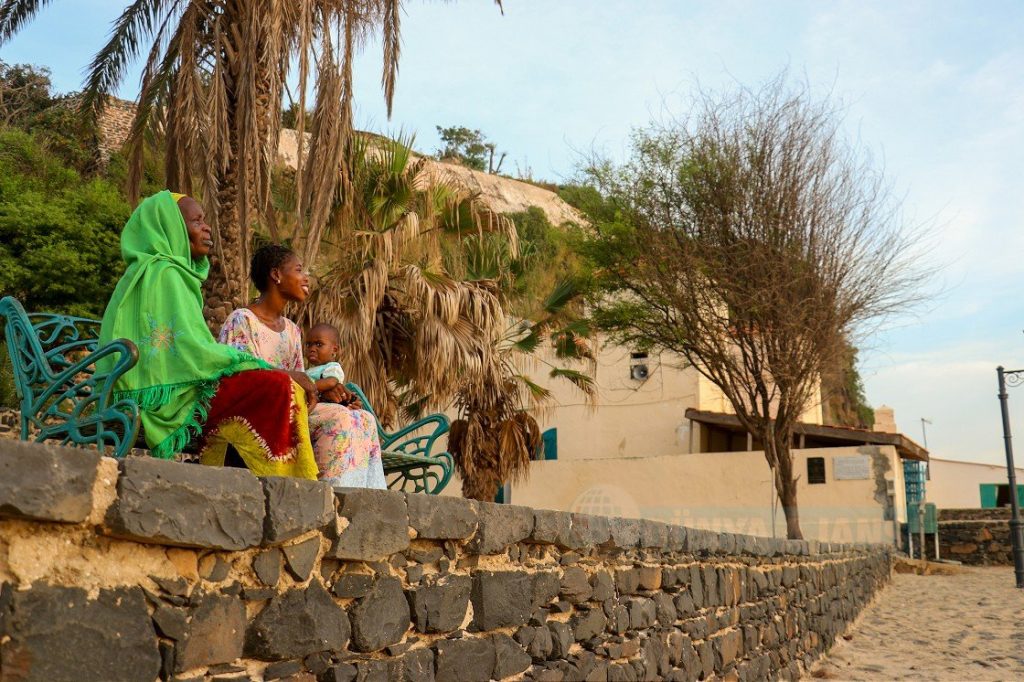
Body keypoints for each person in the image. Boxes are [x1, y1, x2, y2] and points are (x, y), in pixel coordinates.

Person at [97, 190, 319, 479]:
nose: (207, 228)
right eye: (196, 221)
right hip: (172, 397)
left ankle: (267, 480)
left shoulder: (162, 272)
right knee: (275, 385)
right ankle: (279, 483)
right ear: (172, 227)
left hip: (177, 389)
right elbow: (193, 350)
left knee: (274, 386)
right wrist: (271, 370)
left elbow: (188, 347)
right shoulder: (165, 273)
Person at [218, 244, 387, 489]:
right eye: (298, 270)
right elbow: (236, 377)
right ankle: (329, 495)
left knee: (362, 418)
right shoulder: (242, 320)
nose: (305, 278)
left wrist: (329, 395)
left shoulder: (292, 331)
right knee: (340, 420)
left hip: (293, 410)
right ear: (276, 275)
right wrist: (297, 381)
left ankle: (364, 500)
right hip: (256, 415)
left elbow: (303, 385)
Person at [304, 323, 359, 406]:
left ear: (335, 350)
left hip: (328, 404)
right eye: (308, 344)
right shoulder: (308, 370)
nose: (312, 349)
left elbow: (331, 382)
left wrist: (304, 386)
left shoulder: (332, 367)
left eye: (319, 344)